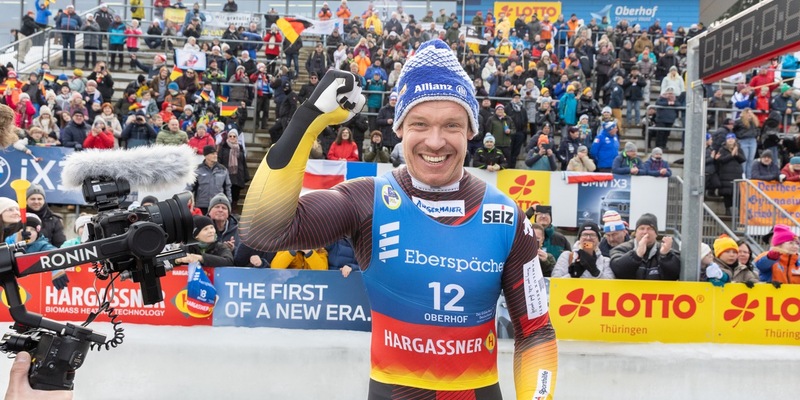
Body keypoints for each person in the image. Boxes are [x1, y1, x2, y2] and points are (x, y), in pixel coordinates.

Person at [240, 40, 557, 399]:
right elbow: (260, 229)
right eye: (420, 123)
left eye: (451, 125)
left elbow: (537, 331)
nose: (435, 142)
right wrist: (308, 119)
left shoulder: (506, 216)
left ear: (471, 130)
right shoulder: (366, 200)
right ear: (399, 128)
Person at [610, 213, 680, 280]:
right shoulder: (621, 249)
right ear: (636, 233)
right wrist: (636, 255)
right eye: (642, 228)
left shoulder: (665, 250)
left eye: (650, 228)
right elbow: (618, 270)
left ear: (656, 234)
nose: (645, 232)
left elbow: (674, 274)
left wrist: (665, 257)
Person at [192, 145, 232, 215]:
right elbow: (190, 187)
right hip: (202, 205)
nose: (215, 155)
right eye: (212, 154)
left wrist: (228, 202)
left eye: (216, 153)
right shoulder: (197, 170)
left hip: (218, 205)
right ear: (206, 156)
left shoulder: (223, 169)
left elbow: (227, 188)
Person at [217, 130, 250, 208]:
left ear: (237, 138)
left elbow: (243, 162)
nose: (232, 138)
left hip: (237, 175)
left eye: (234, 136)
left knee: (235, 195)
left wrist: (245, 175)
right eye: (230, 136)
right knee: (226, 194)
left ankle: (234, 210)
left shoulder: (240, 148)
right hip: (226, 174)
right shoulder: (223, 147)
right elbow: (219, 160)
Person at [715, 133, 745, 216]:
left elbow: (743, 159)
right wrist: (731, 155)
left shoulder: (739, 149)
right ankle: (727, 209)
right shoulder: (722, 149)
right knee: (727, 193)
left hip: (736, 174)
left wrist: (736, 154)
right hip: (725, 174)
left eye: (732, 138)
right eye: (729, 138)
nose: (730, 140)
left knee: (737, 193)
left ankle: (738, 211)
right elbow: (721, 160)